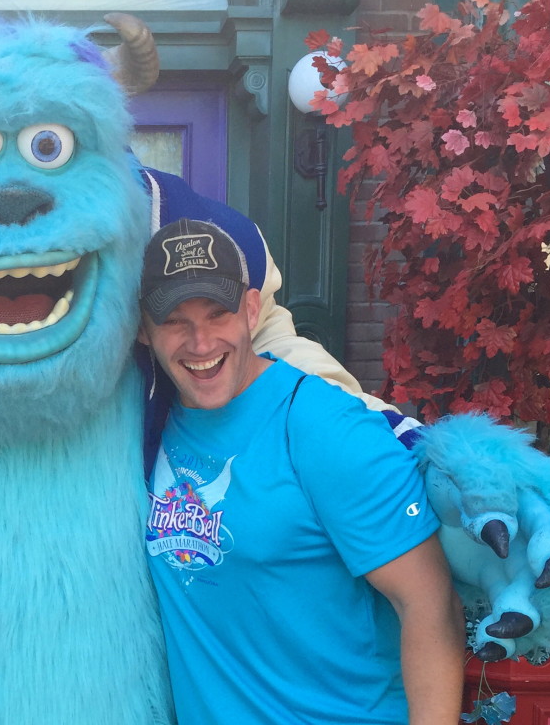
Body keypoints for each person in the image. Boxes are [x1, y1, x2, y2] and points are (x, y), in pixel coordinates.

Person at [137, 218, 466, 725]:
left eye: (217, 313)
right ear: (143, 329)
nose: (200, 343)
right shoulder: (154, 425)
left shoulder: (323, 425)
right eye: (175, 321)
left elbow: (430, 603)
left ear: (250, 310)